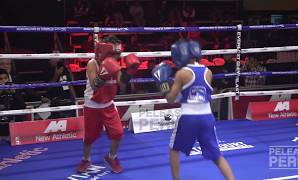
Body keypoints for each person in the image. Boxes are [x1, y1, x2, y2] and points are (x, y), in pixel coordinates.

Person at [152, 40, 235, 180]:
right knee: (216, 155)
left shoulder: (182, 73)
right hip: (207, 117)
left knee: (174, 150)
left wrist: (163, 84)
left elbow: (171, 99)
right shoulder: (208, 72)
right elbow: (193, 94)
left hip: (189, 117)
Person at [76, 36, 140, 173]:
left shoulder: (115, 64)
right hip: (92, 105)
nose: (115, 56)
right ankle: (86, 159)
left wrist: (130, 72)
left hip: (108, 104)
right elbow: (94, 84)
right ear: (105, 50)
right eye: (113, 53)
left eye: (117, 54)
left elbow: (122, 83)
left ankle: (111, 156)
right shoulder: (92, 63)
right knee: (89, 138)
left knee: (118, 133)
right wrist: (104, 73)